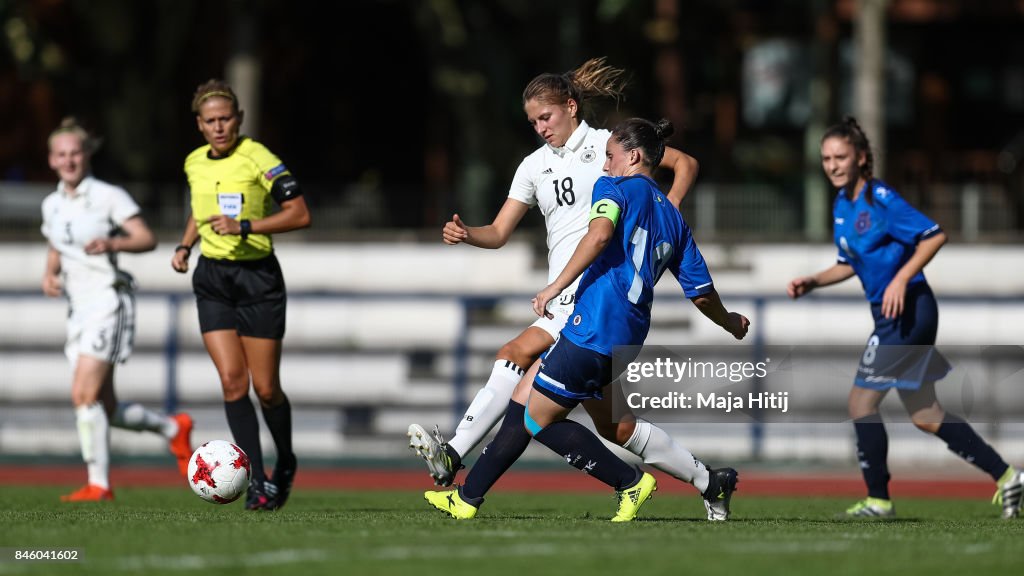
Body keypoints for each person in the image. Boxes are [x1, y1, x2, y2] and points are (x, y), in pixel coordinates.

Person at [409, 59, 738, 518]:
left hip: (586, 299)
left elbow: (684, 163)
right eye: (532, 122)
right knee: (616, 427)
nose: (541, 128)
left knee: (518, 364)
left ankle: (457, 460)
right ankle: (709, 480)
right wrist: (469, 234)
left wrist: (670, 206)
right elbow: (500, 232)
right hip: (588, 305)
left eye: (546, 117)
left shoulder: (611, 146)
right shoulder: (532, 166)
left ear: (569, 106)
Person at [787, 116, 1022, 519]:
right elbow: (849, 263)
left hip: (909, 311)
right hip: (891, 316)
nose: (832, 165)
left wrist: (901, 278)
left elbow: (934, 236)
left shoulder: (881, 199)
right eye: (826, 158)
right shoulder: (843, 204)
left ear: (861, 157)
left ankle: (879, 500)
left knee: (861, 402)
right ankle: (1008, 477)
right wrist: (814, 280)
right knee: (926, 415)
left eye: (840, 156)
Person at [171, 79, 310, 511]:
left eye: (225, 118)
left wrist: (246, 226)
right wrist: (184, 245)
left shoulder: (259, 158)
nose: (219, 127)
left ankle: (285, 460)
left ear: (239, 119)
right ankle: (254, 481)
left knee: (266, 388)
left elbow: (300, 214)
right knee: (233, 380)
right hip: (212, 279)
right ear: (199, 124)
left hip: (257, 280)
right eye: (210, 121)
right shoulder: (194, 162)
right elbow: (200, 208)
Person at [40, 118, 193, 502]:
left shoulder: (109, 196)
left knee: (83, 394)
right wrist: (49, 273)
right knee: (103, 405)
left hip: (108, 301)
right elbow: (57, 244)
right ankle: (173, 429)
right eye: (62, 154)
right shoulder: (52, 203)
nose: (69, 160)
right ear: (51, 161)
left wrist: (112, 244)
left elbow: (146, 237)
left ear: (87, 154)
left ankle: (99, 485)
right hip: (78, 309)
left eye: (75, 152)